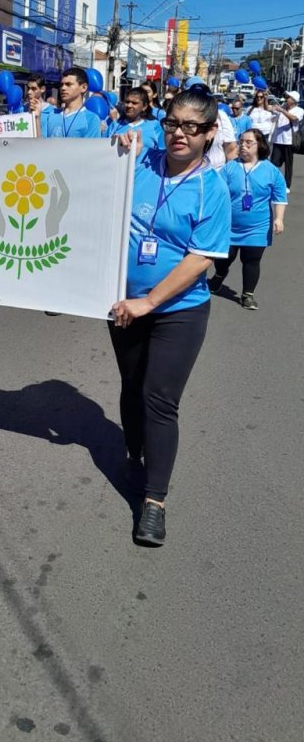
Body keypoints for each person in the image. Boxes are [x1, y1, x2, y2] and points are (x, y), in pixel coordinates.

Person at [109, 86, 231, 546]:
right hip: (122, 303)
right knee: (131, 384)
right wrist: (116, 147)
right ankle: (134, 447)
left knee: (160, 398)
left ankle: (154, 502)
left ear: (209, 133)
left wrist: (149, 301)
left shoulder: (211, 189)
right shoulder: (142, 161)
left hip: (179, 310)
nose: (180, 133)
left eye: (192, 127)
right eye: (173, 123)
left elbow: (201, 259)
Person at [209, 128, 287, 310]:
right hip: (229, 226)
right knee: (223, 258)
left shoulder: (271, 171)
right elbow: (217, 192)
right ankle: (219, 276)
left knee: (251, 260)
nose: (242, 146)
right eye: (241, 141)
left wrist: (279, 219)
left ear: (259, 145)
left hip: (258, 227)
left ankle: (247, 295)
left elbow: (279, 196)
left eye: (248, 142)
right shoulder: (229, 167)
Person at [44, 67, 101, 138]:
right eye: (61, 85)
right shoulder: (52, 114)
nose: (63, 88)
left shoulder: (91, 119)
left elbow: (91, 148)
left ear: (84, 87)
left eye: (68, 84)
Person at [269, 90, 303, 192]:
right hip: (277, 140)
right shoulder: (282, 107)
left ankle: (287, 185)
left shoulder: (299, 110)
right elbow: (268, 109)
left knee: (288, 164)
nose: (286, 99)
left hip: (289, 141)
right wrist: (266, 101)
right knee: (274, 163)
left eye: (288, 97)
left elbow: (293, 118)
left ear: (293, 100)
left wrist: (282, 111)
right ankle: (273, 182)